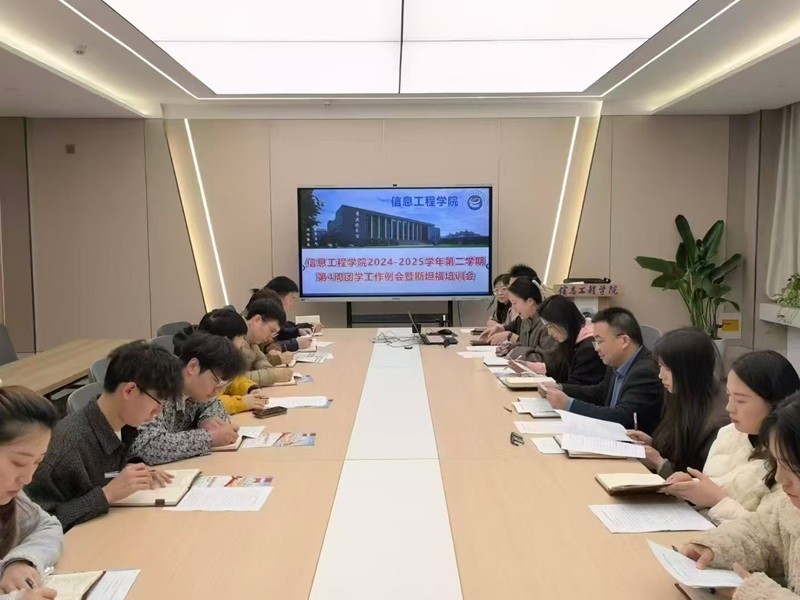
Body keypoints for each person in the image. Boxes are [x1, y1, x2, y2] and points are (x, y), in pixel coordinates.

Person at [25, 341, 183, 532]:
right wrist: (107, 494)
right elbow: (32, 526)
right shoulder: (65, 448)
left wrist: (134, 470)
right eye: (158, 402)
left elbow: (104, 471)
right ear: (129, 390)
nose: (159, 412)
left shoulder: (123, 425)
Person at [681, 394, 800, 599]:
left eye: (792, 467)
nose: (779, 478)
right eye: (777, 463)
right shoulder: (790, 507)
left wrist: (754, 594)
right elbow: (763, 534)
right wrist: (716, 548)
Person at [663, 350, 800, 524]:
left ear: (777, 402)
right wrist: (692, 487)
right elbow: (714, 484)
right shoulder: (729, 433)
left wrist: (717, 501)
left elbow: (771, 533)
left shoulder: (790, 458)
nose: (729, 407)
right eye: (729, 396)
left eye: (741, 400)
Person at [129, 331, 246, 466]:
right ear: (193, 367)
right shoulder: (156, 385)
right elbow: (147, 446)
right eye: (217, 381)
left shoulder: (194, 389)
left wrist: (207, 419)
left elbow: (214, 404)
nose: (218, 391)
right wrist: (209, 438)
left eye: (223, 385)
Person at [539, 307, 663, 433]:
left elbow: (623, 417)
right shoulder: (617, 362)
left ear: (624, 341)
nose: (596, 348)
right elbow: (600, 392)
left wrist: (569, 404)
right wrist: (560, 388)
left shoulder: (646, 371)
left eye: (600, 341)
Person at [626, 328, 728, 478]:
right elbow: (680, 451)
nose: (661, 376)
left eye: (667, 369)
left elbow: (700, 480)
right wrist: (653, 443)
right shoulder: (685, 395)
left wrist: (660, 464)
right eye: (660, 367)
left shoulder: (719, 422)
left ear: (689, 370)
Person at [0, 386, 62, 600]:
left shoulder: (14, 500)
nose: (27, 478)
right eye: (19, 462)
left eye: (37, 462)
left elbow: (48, 525)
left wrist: (20, 561)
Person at [177, 310, 271, 415]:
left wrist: (250, 388)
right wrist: (241, 403)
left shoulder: (206, 376)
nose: (243, 344)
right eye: (240, 337)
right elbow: (209, 401)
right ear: (224, 340)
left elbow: (230, 381)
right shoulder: (194, 381)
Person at [499, 277, 564, 379]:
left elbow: (546, 361)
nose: (513, 308)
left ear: (530, 301)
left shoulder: (547, 324)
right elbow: (526, 345)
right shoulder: (526, 320)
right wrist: (509, 348)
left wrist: (515, 352)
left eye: (515, 303)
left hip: (548, 381)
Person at [536, 294, 605, 386]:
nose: (550, 333)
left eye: (551, 326)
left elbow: (578, 387)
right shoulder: (570, 339)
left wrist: (557, 387)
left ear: (565, 321)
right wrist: (531, 366)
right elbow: (560, 369)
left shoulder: (588, 348)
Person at [481, 264, 540, 344]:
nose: (511, 290)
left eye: (515, 286)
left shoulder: (546, 320)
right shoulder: (525, 316)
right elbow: (513, 326)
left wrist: (510, 336)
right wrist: (502, 329)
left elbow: (533, 348)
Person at [240, 299, 295, 386]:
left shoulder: (251, 339)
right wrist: (273, 376)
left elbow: (260, 359)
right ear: (257, 320)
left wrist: (270, 371)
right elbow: (230, 380)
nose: (270, 338)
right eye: (271, 331)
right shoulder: (234, 334)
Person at [264, 276, 320, 351]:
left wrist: (298, 331)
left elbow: (282, 332)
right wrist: (296, 344)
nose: (293, 302)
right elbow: (267, 348)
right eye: (291, 298)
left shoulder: (272, 313)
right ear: (279, 299)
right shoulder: (264, 314)